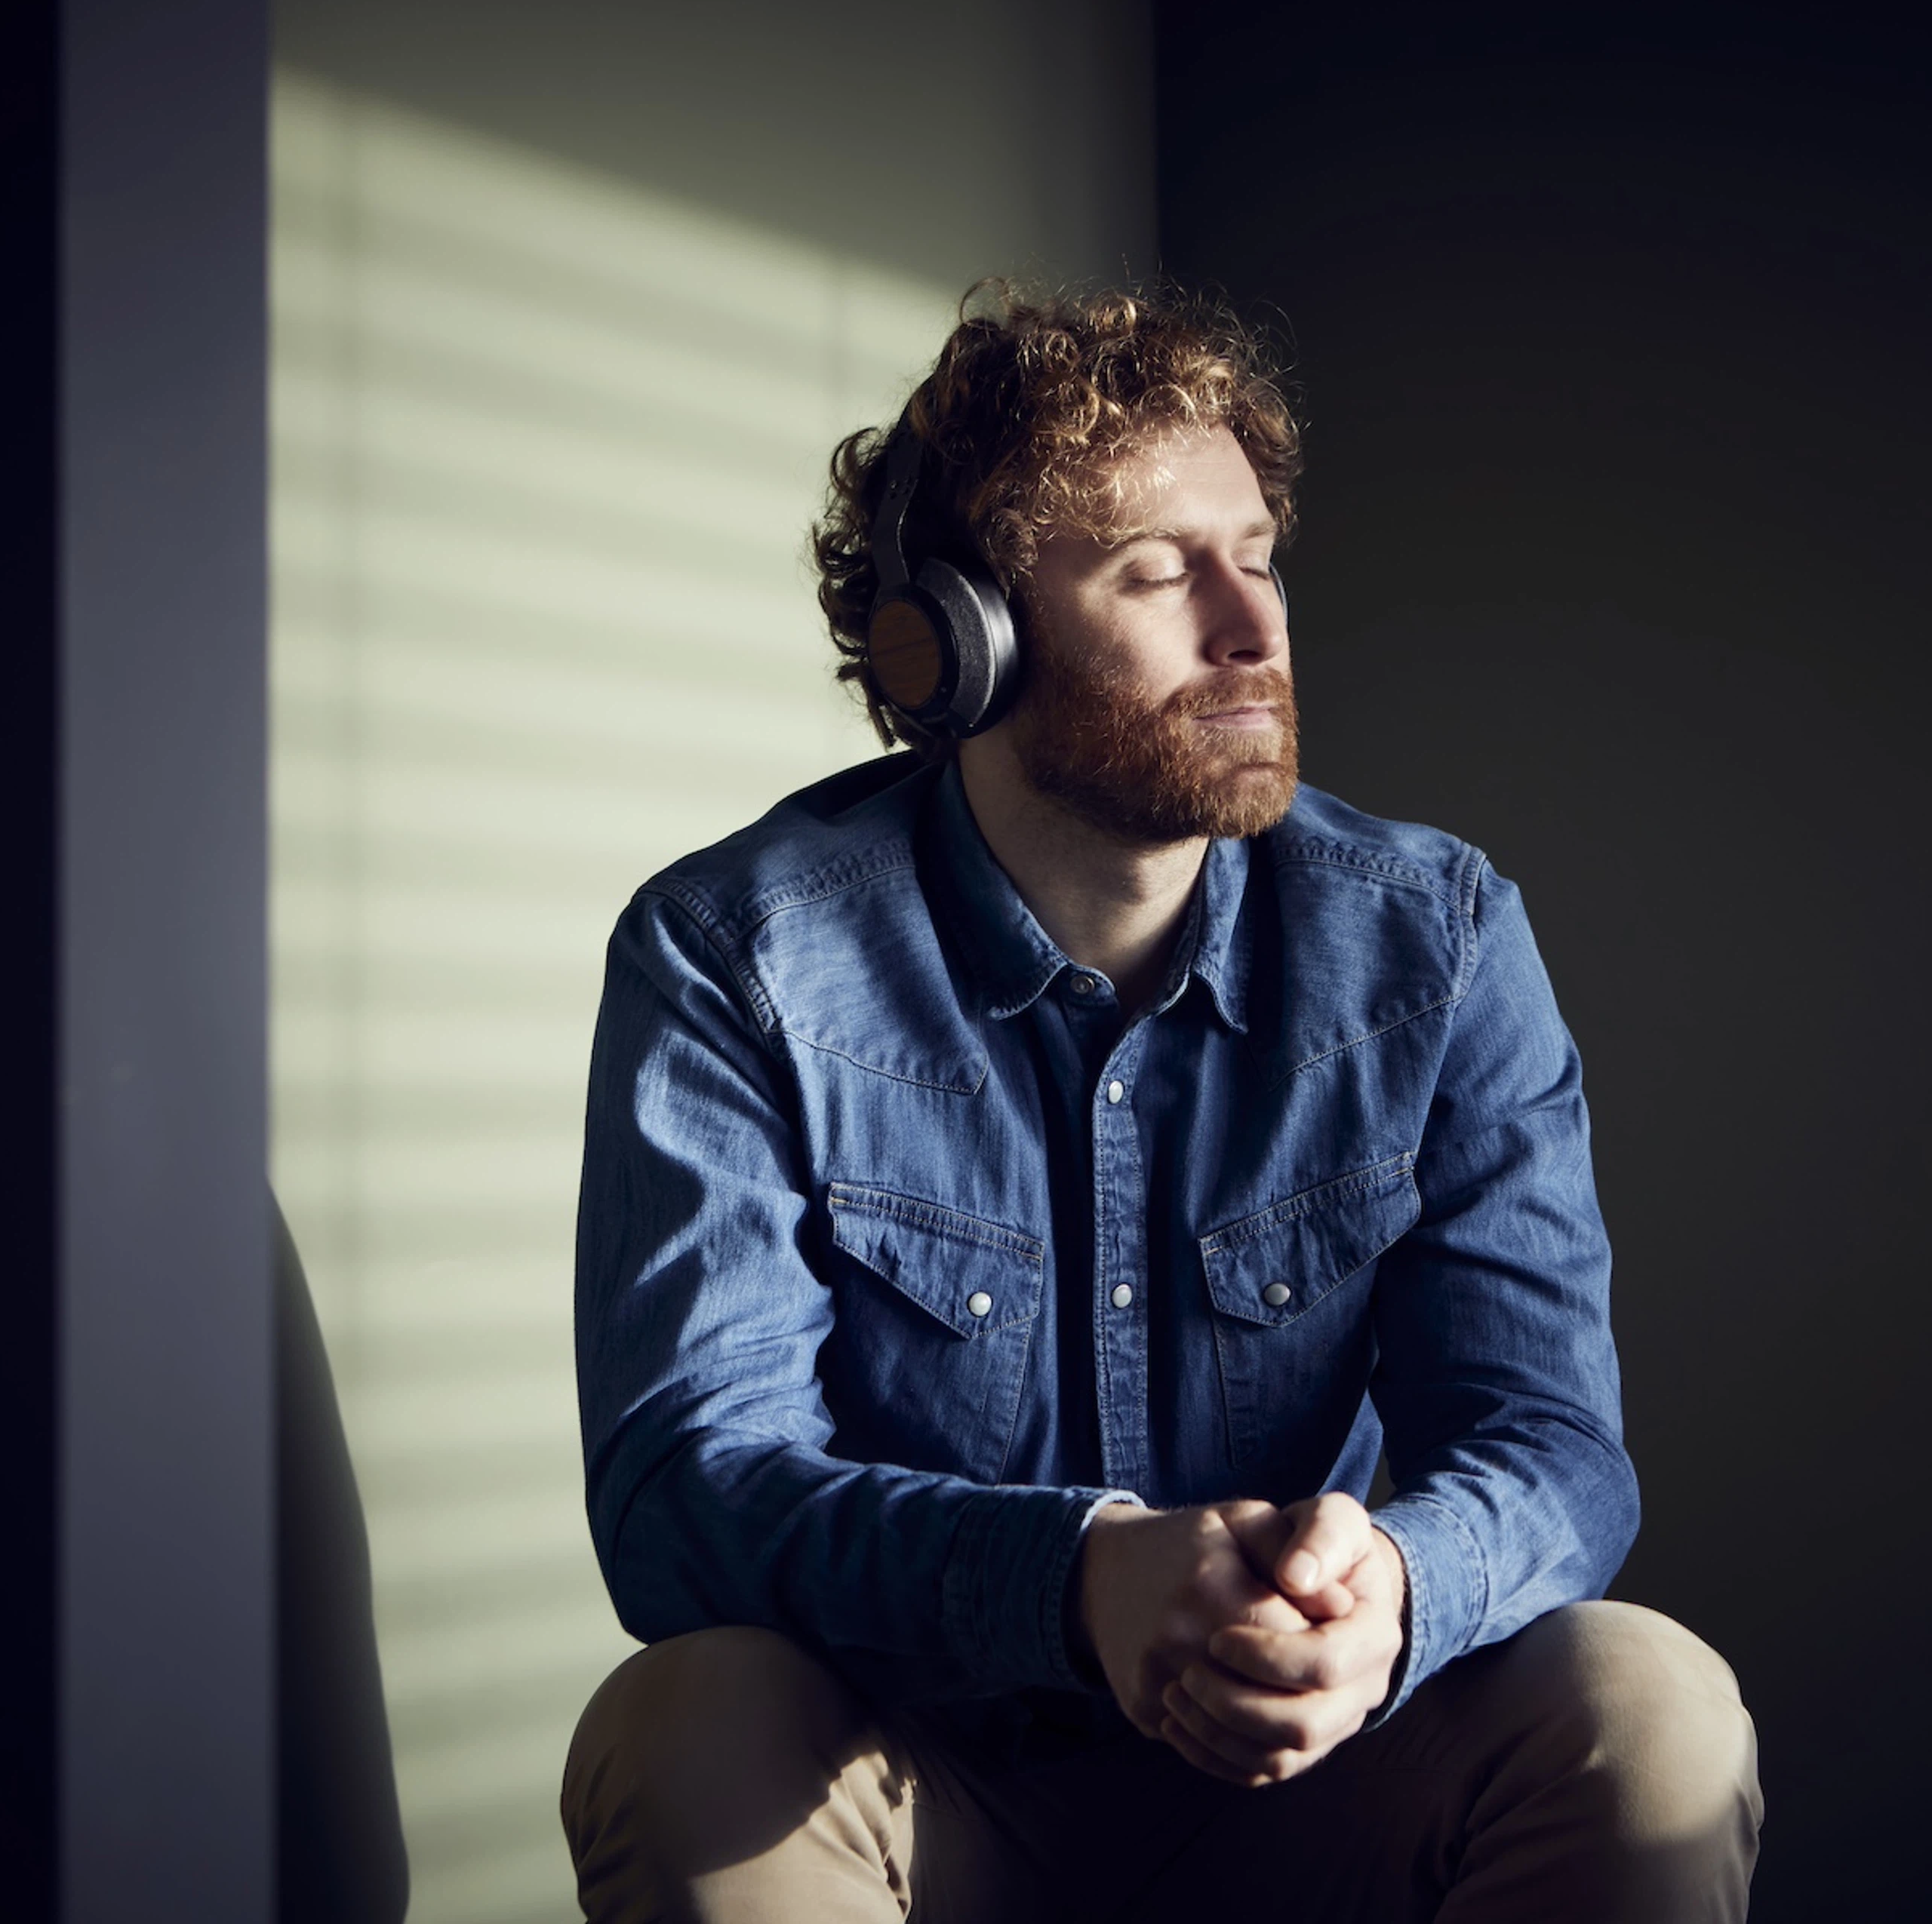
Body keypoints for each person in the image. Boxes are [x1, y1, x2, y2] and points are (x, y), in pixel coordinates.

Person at [561, 285, 1762, 1922]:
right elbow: (684, 1489)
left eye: (1256, 553)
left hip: (1326, 1776)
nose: (1254, 627)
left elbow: (1552, 1443)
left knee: (1649, 1696)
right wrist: (1076, 1577)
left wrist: (1394, 1588)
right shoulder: (737, 956)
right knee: (680, 1726)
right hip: (934, 1779)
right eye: (1155, 571)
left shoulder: (1442, 938)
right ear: (953, 643)